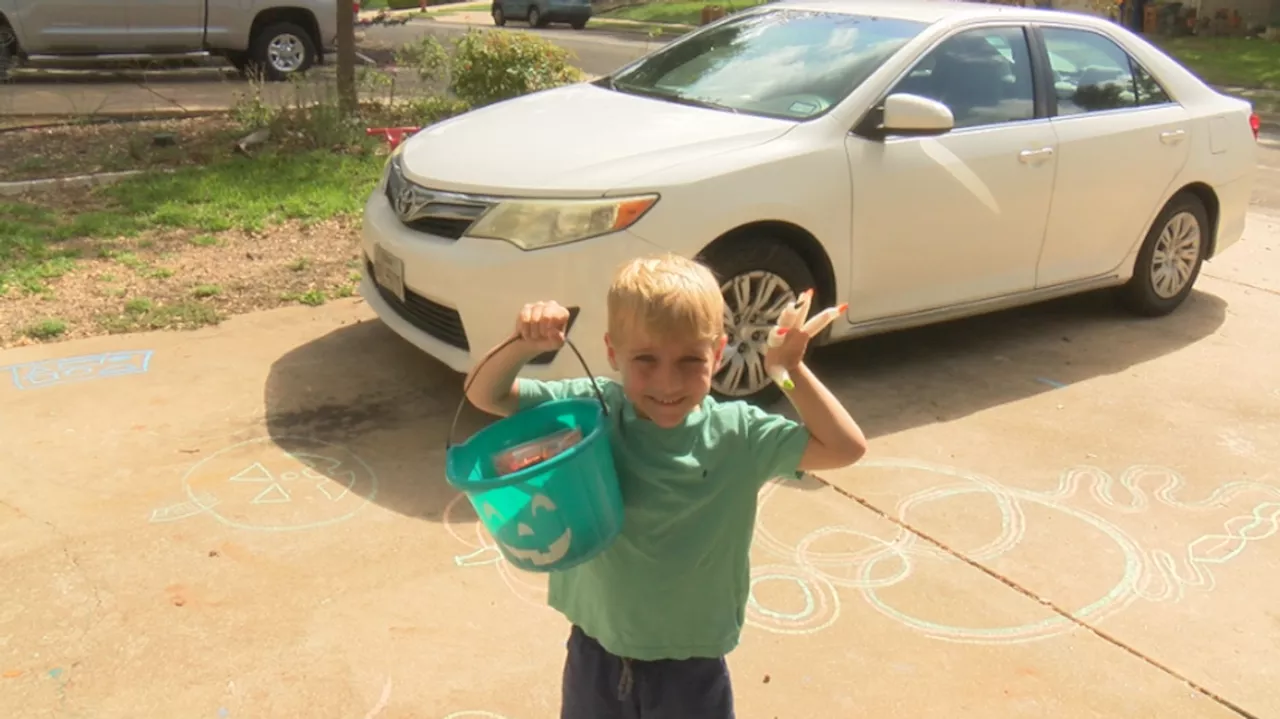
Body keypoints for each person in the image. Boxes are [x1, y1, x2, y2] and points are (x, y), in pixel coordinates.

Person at [463, 253, 868, 719]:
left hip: (689, 665)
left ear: (718, 354)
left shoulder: (738, 435)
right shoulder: (592, 411)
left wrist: (788, 371)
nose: (667, 382)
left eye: (690, 360)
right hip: (596, 649)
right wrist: (522, 343)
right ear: (613, 352)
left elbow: (845, 447)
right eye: (645, 360)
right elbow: (485, 394)